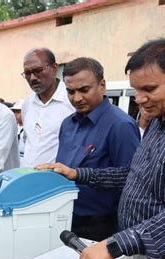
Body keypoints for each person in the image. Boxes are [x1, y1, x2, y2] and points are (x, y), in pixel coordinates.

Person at [36, 39, 165, 259]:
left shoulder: (123, 124)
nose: (140, 99)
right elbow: (132, 176)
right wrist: (77, 173)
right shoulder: (159, 122)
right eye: (136, 90)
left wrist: (115, 243)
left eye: (149, 89)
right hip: (133, 252)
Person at [56, 57, 140, 241]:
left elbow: (131, 180)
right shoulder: (67, 124)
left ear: (102, 85)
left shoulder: (121, 125)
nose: (77, 98)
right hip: (64, 220)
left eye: (84, 90)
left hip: (101, 227)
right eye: (70, 92)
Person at [21, 48, 75, 168]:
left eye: (38, 70)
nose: (32, 78)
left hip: (58, 182)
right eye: (27, 73)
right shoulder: (27, 104)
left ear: (54, 68)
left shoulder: (71, 101)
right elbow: (27, 142)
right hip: (27, 179)